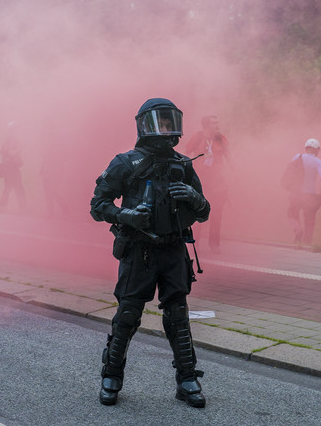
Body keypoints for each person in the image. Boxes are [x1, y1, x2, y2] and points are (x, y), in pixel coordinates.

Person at [90, 98, 210, 408]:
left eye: (171, 122)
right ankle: (111, 375)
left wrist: (195, 197)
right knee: (128, 315)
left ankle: (187, 380)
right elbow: (97, 206)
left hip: (173, 249)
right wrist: (126, 216)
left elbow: (205, 211)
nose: (167, 129)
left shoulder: (183, 165)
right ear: (145, 124)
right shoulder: (126, 163)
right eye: (162, 122)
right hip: (139, 250)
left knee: (178, 316)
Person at [186, 115, 231, 254]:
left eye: (217, 123)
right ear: (205, 125)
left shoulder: (221, 139)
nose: (217, 126)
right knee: (196, 212)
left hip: (217, 182)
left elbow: (229, 158)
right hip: (200, 181)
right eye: (214, 123)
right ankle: (195, 244)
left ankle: (214, 245)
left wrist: (233, 175)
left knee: (217, 213)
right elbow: (186, 154)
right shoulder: (197, 137)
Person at [287, 138, 321, 246]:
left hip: (296, 193)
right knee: (309, 220)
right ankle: (306, 243)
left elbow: (289, 172)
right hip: (309, 196)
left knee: (292, 214)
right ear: (317, 150)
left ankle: (297, 229)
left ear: (306, 148)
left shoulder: (297, 157)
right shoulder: (318, 162)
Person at [0, 121, 26, 213]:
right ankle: (22, 208)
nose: (17, 131)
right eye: (16, 129)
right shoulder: (10, 140)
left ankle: (2, 207)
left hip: (11, 168)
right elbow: (9, 154)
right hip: (10, 168)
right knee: (14, 187)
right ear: (12, 130)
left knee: (11, 187)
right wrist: (17, 154)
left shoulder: (11, 140)